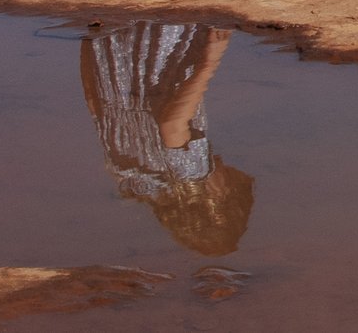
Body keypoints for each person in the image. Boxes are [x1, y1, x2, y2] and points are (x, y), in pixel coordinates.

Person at [79, 21, 255, 255]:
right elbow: (93, 102)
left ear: (220, 197)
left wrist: (209, 62)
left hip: (162, 40)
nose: (223, 162)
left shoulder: (192, 174)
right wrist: (90, 40)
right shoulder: (129, 179)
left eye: (231, 178)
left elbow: (172, 126)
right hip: (110, 44)